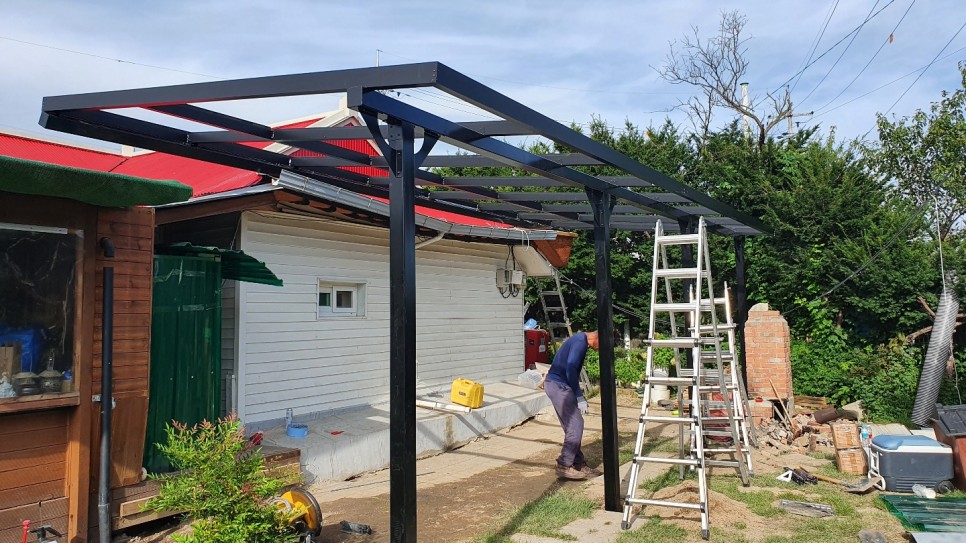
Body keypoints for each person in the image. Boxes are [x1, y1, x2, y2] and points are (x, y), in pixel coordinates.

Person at [544, 330, 603, 480]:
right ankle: (564, 465)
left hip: (556, 385)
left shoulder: (579, 340)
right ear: (597, 337)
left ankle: (578, 463)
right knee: (576, 425)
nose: (599, 349)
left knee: (571, 426)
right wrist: (579, 395)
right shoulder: (580, 343)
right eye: (601, 345)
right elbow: (570, 367)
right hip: (559, 386)